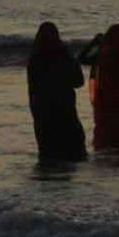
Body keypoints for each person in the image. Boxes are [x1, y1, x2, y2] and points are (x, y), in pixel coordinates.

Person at [27, 21, 87, 161]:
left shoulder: (34, 59)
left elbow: (32, 90)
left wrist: (35, 115)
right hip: (66, 114)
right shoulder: (65, 56)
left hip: (43, 116)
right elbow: (79, 82)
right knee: (73, 159)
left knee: (47, 160)